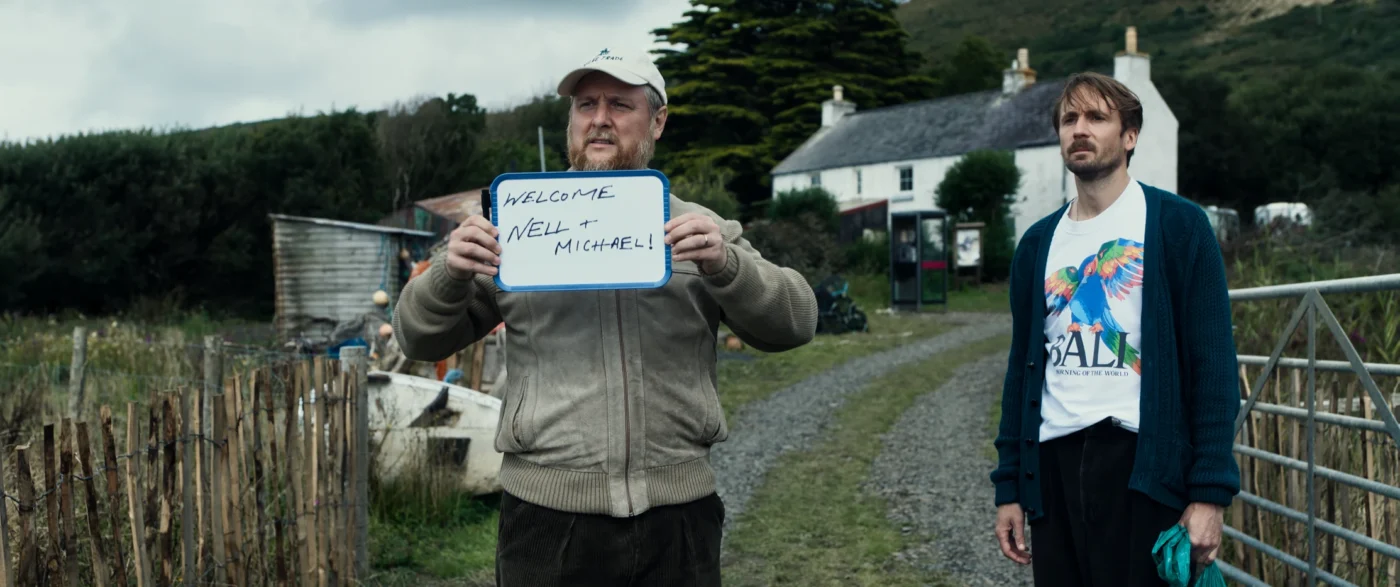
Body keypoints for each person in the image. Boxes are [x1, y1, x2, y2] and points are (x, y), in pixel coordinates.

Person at [392, 47, 818, 587]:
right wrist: (447, 274)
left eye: (620, 104)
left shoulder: (701, 228)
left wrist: (729, 266)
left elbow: (796, 322)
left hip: (679, 514)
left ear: (658, 121)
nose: (599, 119)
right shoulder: (516, 225)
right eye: (585, 104)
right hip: (545, 518)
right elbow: (417, 337)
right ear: (570, 120)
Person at [988, 71, 1241, 586]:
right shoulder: (1037, 245)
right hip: (1053, 470)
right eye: (1069, 119)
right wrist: (1010, 488)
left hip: (1142, 470)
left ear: (1129, 136)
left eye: (1097, 117)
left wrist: (1209, 493)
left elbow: (1213, 366)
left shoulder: (1178, 226)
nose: (1079, 129)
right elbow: (1021, 372)